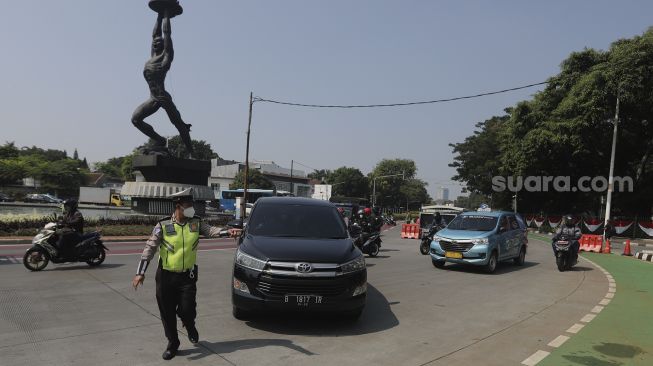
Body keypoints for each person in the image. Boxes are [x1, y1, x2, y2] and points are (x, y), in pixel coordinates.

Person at [131, 188, 241, 360]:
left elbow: (212, 231)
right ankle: (173, 343)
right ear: (178, 206)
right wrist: (140, 273)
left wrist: (229, 231)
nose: (191, 208)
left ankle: (190, 325)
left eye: (192, 205)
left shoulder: (196, 223)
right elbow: (149, 248)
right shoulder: (163, 225)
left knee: (187, 309)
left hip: (187, 277)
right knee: (167, 313)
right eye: (188, 205)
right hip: (166, 276)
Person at [131, 9, 194, 156]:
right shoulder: (152, 56)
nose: (155, 43)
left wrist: (166, 13)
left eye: (158, 43)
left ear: (163, 46)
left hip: (163, 98)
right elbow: (156, 34)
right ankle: (159, 140)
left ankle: (191, 152)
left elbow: (166, 34)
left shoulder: (166, 58)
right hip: (153, 98)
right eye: (154, 42)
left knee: (179, 125)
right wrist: (158, 15)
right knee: (136, 120)